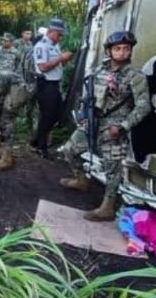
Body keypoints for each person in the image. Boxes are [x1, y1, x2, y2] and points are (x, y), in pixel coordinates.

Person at [58, 31, 150, 221]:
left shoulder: (135, 76)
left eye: (126, 49)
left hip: (114, 127)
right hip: (93, 121)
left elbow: (144, 106)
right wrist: (84, 114)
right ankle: (81, 180)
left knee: (112, 170)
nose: (122, 52)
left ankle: (108, 206)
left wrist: (123, 126)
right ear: (109, 51)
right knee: (69, 150)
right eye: (118, 49)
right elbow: (89, 95)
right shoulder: (100, 70)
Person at [30, 19, 74, 158]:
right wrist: (61, 58)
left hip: (54, 85)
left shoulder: (55, 45)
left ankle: (37, 141)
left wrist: (65, 60)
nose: (61, 37)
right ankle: (41, 147)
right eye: (59, 34)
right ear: (51, 31)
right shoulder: (41, 46)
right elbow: (43, 67)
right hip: (45, 85)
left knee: (57, 115)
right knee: (48, 117)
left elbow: (58, 66)